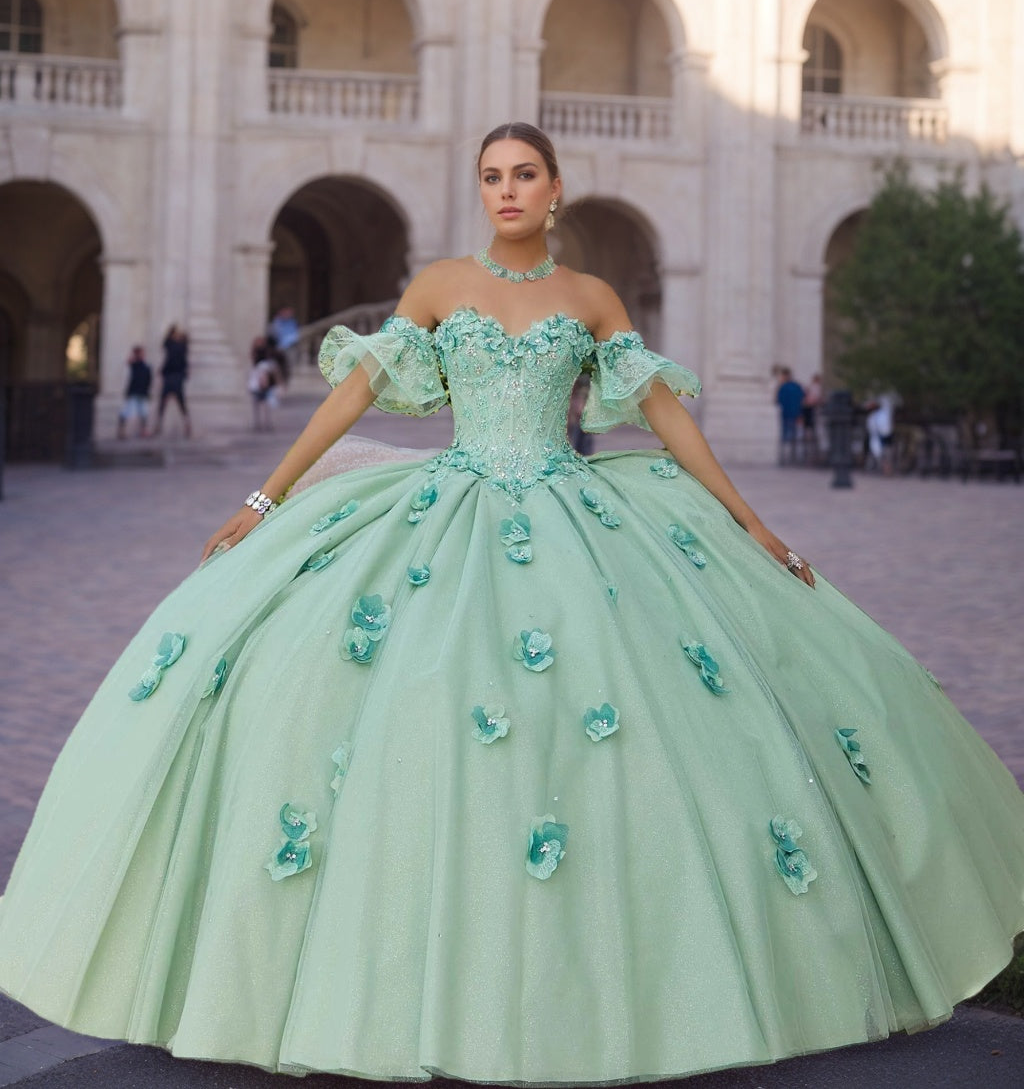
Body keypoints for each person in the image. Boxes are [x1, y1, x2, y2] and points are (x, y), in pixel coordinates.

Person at [1, 122, 1022, 1085]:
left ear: (555, 188)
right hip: (449, 512)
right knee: (411, 705)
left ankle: (612, 985)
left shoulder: (592, 297)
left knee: (606, 725)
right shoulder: (440, 284)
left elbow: (663, 414)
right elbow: (354, 394)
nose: (506, 191)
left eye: (523, 174)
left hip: (575, 515)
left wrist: (750, 521)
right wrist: (266, 497)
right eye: (491, 177)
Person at [152, 324, 191, 438]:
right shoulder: (172, 344)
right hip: (170, 375)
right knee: (164, 401)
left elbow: (184, 342)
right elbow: (165, 343)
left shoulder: (182, 345)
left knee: (180, 401)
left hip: (176, 375)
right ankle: (158, 424)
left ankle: (187, 424)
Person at [116, 345, 152, 439]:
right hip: (133, 392)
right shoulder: (133, 365)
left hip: (142, 392)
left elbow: (148, 380)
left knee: (144, 412)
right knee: (126, 411)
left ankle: (143, 430)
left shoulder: (145, 366)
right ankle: (121, 430)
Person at [248, 338, 280, 432]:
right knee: (263, 406)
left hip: (259, 386)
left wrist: (264, 384)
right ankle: (264, 423)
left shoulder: (262, 364)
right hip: (258, 386)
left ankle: (261, 423)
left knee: (260, 405)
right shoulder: (264, 363)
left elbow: (265, 375)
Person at [774, 366, 804, 465]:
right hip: (795, 414)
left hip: (786, 414)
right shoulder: (797, 386)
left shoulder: (783, 387)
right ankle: (793, 458)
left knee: (785, 437)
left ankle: (785, 459)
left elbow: (777, 400)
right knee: (794, 437)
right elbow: (802, 398)